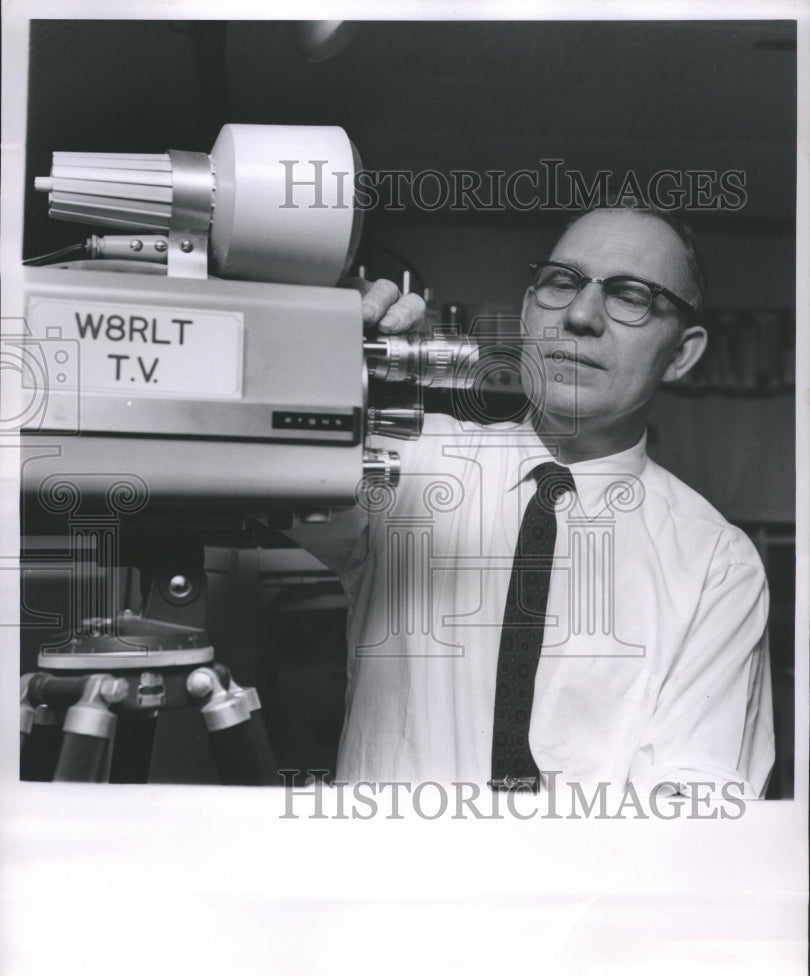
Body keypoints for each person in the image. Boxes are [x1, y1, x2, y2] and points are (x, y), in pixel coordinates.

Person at [290, 206, 775, 798]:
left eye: (631, 296)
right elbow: (231, 461)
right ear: (526, 312)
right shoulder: (404, 465)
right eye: (562, 283)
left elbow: (694, 814)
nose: (580, 315)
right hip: (383, 886)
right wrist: (312, 329)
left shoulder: (716, 565)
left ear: (681, 353)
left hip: (585, 892)